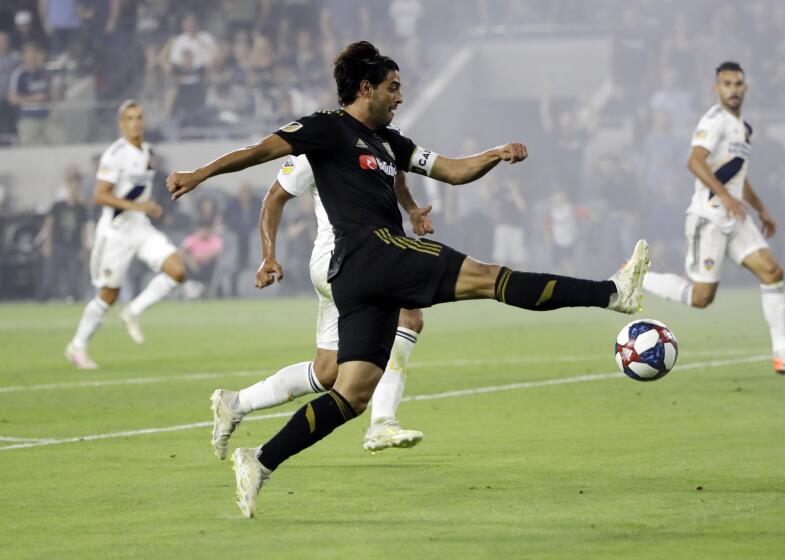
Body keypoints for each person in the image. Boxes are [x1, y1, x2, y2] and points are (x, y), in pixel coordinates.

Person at [167, 41, 649, 517]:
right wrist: (201, 174)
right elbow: (260, 152)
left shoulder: (390, 143)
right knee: (488, 277)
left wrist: (495, 153)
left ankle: (260, 460)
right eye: (393, 88)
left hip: (361, 277)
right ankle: (612, 293)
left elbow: (453, 171)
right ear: (365, 88)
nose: (400, 97)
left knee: (352, 390)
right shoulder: (327, 129)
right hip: (368, 253)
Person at [210, 156, 428, 460]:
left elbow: (398, 179)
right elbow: (275, 194)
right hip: (343, 258)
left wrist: (412, 208)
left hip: (360, 258)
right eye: (390, 103)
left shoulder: (387, 137)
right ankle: (382, 422)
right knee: (408, 317)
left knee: (327, 372)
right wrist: (268, 255)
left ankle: (236, 403)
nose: (396, 105)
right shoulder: (322, 139)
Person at [642, 62, 785, 375]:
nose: (733, 89)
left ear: (746, 88)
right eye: (726, 84)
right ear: (717, 88)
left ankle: (784, 354)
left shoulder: (743, 128)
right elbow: (694, 162)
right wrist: (725, 197)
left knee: (772, 272)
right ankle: (639, 277)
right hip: (709, 217)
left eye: (738, 84)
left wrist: (760, 207)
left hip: (735, 216)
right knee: (701, 298)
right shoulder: (714, 120)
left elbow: (737, 173)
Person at [65, 100, 187, 369]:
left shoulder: (146, 151)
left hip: (140, 227)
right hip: (115, 233)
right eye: (130, 118)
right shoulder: (114, 154)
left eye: (139, 117)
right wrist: (137, 205)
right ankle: (77, 346)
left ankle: (133, 311)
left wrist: (148, 206)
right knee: (108, 295)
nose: (136, 122)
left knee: (178, 270)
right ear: (121, 124)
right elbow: (100, 196)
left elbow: (135, 190)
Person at [38, 166, 90, 301]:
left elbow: (84, 229)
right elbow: (48, 225)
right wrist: (47, 245)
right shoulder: (58, 205)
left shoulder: (81, 208)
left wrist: (84, 248)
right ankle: (44, 298)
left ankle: (73, 297)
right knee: (50, 274)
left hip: (73, 246)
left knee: (73, 276)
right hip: (58, 244)